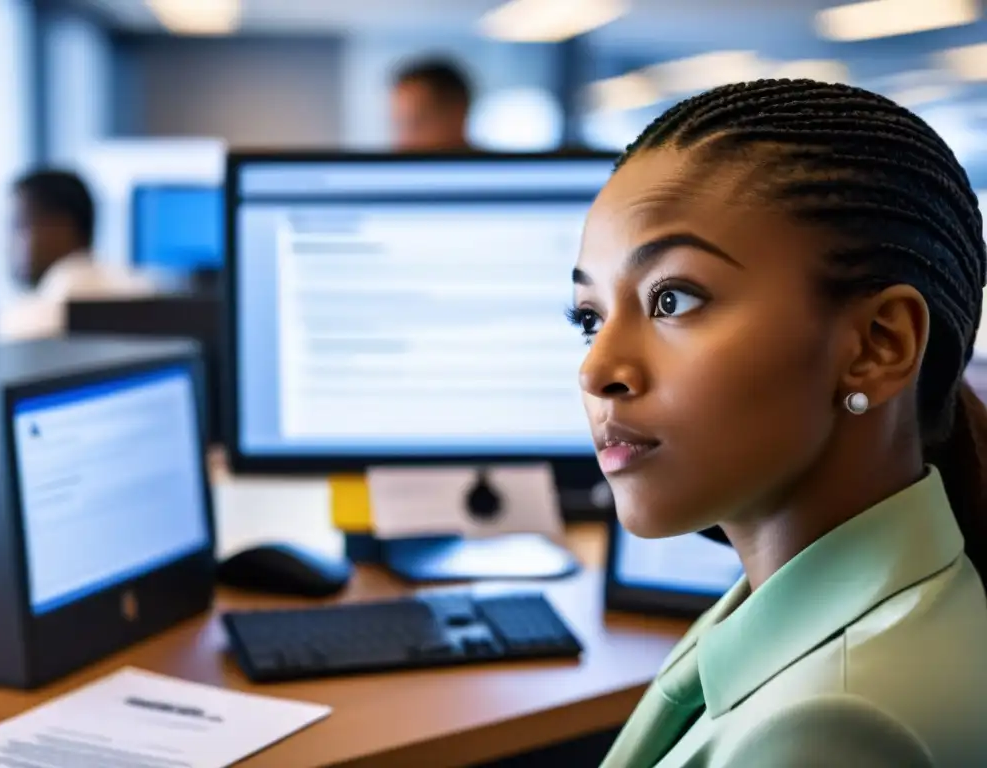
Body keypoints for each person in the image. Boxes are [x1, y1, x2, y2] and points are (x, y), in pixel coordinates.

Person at [569, 79, 987, 766]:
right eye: (589, 318)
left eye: (671, 299)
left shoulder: (831, 729)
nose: (597, 371)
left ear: (878, 346)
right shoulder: (788, 606)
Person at [0, 169, 154, 340]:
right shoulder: (144, 292)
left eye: (18, 226)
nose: (7, 244)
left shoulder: (28, 323)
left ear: (61, 229)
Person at [390, 57, 472, 152]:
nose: (402, 144)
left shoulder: (486, 165)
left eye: (416, 125)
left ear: (456, 116)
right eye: (399, 125)